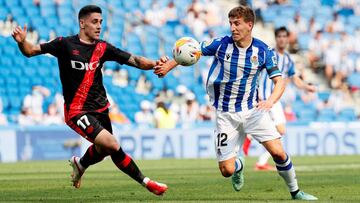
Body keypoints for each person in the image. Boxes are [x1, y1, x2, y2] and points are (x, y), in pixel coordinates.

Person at [154, 5, 317, 200]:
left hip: (253, 111)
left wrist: (270, 101)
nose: (232, 28)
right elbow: (192, 51)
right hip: (225, 114)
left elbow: (279, 81)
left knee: (279, 153)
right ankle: (239, 165)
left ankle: (296, 192)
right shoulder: (221, 44)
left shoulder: (263, 51)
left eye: (237, 23)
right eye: (230, 23)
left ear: (249, 25)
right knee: (226, 170)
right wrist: (169, 67)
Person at [11, 5, 167, 195]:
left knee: (103, 150)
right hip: (77, 111)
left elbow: (135, 60)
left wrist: (155, 64)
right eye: (95, 22)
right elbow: (30, 51)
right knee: (112, 144)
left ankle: (81, 164)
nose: (99, 26)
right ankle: (147, 182)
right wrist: (21, 42)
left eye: (101, 22)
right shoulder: (64, 44)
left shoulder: (103, 47)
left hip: (101, 109)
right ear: (82, 23)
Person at [244, 26, 317, 171]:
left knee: (279, 130)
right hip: (264, 98)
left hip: (275, 99)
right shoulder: (268, 54)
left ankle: (256, 149)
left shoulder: (288, 59)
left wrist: (307, 87)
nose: (282, 39)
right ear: (276, 38)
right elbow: (255, 72)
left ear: (287, 39)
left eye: (284, 36)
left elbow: (294, 78)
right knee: (278, 130)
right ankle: (254, 146)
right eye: (279, 36)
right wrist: (255, 92)